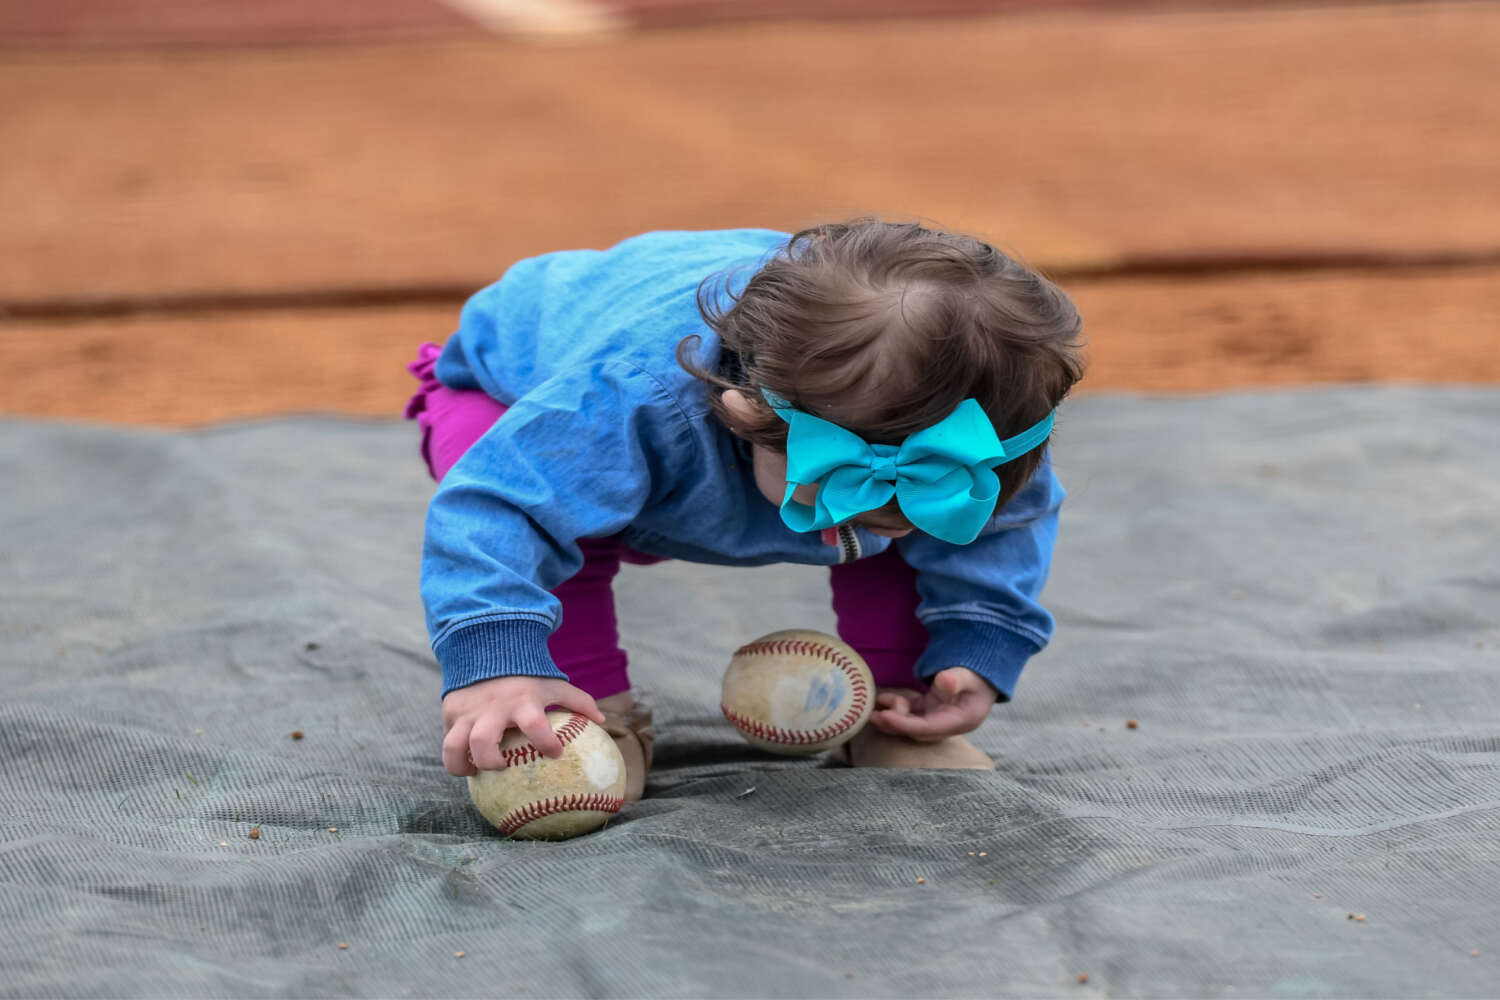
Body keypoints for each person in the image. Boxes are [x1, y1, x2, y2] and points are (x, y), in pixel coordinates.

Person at [405, 219, 1085, 801]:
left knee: (893, 533)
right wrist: (494, 662)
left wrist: (975, 642)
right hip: (513, 396)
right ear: (747, 411)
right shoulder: (628, 396)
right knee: (562, 511)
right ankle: (582, 712)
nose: (892, 501)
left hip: (705, 430)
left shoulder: (983, 422)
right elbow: (501, 508)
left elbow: (1006, 523)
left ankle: (896, 707)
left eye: (926, 492)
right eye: (854, 484)